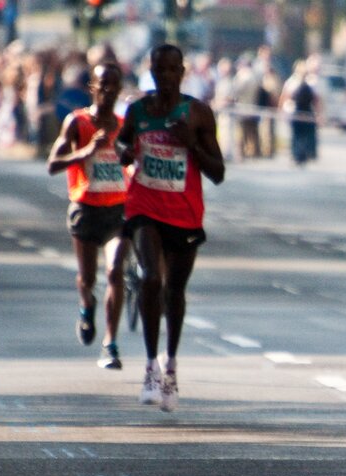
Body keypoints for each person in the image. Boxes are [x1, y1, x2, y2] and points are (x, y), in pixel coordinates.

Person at [115, 43, 225, 412]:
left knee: (174, 291)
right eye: (157, 70)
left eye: (170, 70)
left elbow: (218, 173)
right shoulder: (138, 111)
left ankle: (170, 365)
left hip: (185, 213)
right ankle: (148, 367)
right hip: (144, 206)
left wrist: (190, 143)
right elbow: (123, 144)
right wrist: (124, 152)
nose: (164, 76)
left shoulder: (197, 114)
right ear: (151, 71)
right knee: (150, 278)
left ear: (182, 72)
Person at [46, 61, 130, 370]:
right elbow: (53, 164)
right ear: (92, 88)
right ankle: (87, 305)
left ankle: (110, 343)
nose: (108, 91)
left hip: (119, 210)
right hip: (85, 209)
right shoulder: (77, 123)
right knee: (87, 279)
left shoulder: (124, 125)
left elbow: (136, 162)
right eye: (103, 85)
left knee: (115, 272)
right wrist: (84, 153)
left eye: (114, 85)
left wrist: (131, 163)